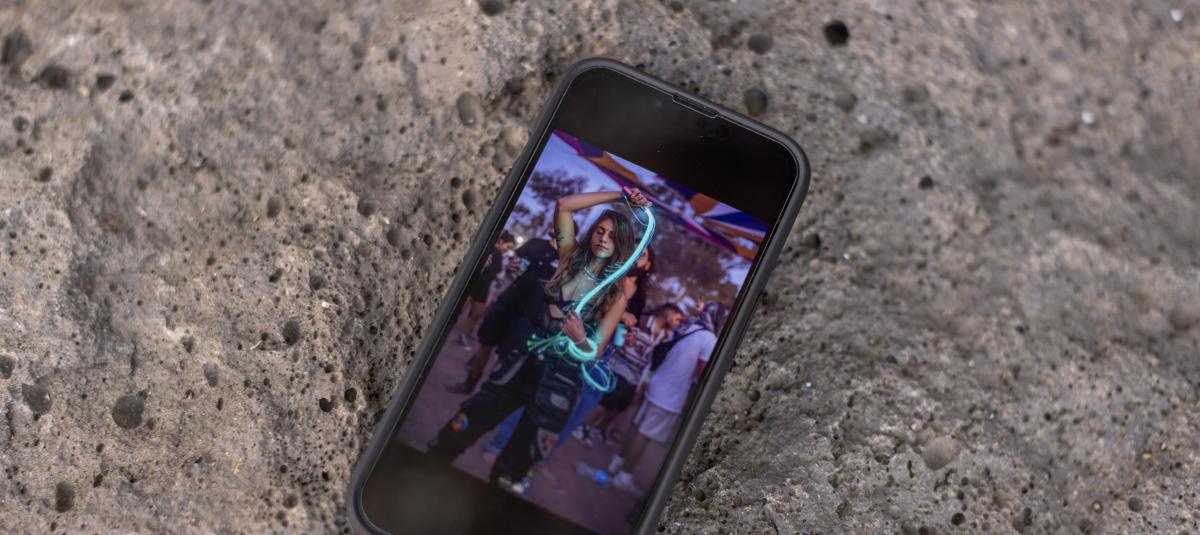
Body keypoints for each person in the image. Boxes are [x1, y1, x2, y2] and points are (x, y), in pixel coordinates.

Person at [429, 187, 652, 493]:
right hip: (521, 364)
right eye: (600, 231)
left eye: (612, 236)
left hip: (560, 385)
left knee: (512, 471)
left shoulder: (615, 297)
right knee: (458, 430)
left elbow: (593, 352)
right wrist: (619, 196)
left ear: (622, 245)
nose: (603, 239)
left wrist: (580, 339)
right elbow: (564, 205)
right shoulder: (569, 259)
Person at [608, 301, 727, 493]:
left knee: (636, 427)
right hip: (670, 397)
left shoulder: (688, 327)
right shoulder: (709, 339)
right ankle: (624, 477)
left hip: (656, 384)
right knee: (645, 435)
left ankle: (616, 463)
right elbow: (703, 373)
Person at [446, 225, 566, 394]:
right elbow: (515, 258)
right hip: (508, 300)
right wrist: (513, 265)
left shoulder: (565, 259)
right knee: (485, 344)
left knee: (504, 356)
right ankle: (469, 383)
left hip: (528, 313)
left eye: (559, 224)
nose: (554, 225)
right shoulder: (536, 243)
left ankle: (486, 393)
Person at [576, 301, 683, 447]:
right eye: (677, 319)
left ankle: (598, 429)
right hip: (619, 367)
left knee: (619, 406)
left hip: (635, 376)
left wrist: (645, 381)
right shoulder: (642, 321)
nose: (678, 323)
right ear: (668, 316)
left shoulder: (666, 336)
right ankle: (582, 427)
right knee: (605, 402)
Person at [457, 231, 517, 349]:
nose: (508, 250)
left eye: (511, 248)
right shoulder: (490, 250)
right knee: (459, 310)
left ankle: (463, 334)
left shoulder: (501, 256)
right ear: (501, 241)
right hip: (474, 284)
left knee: (477, 314)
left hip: (484, 287)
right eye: (508, 247)